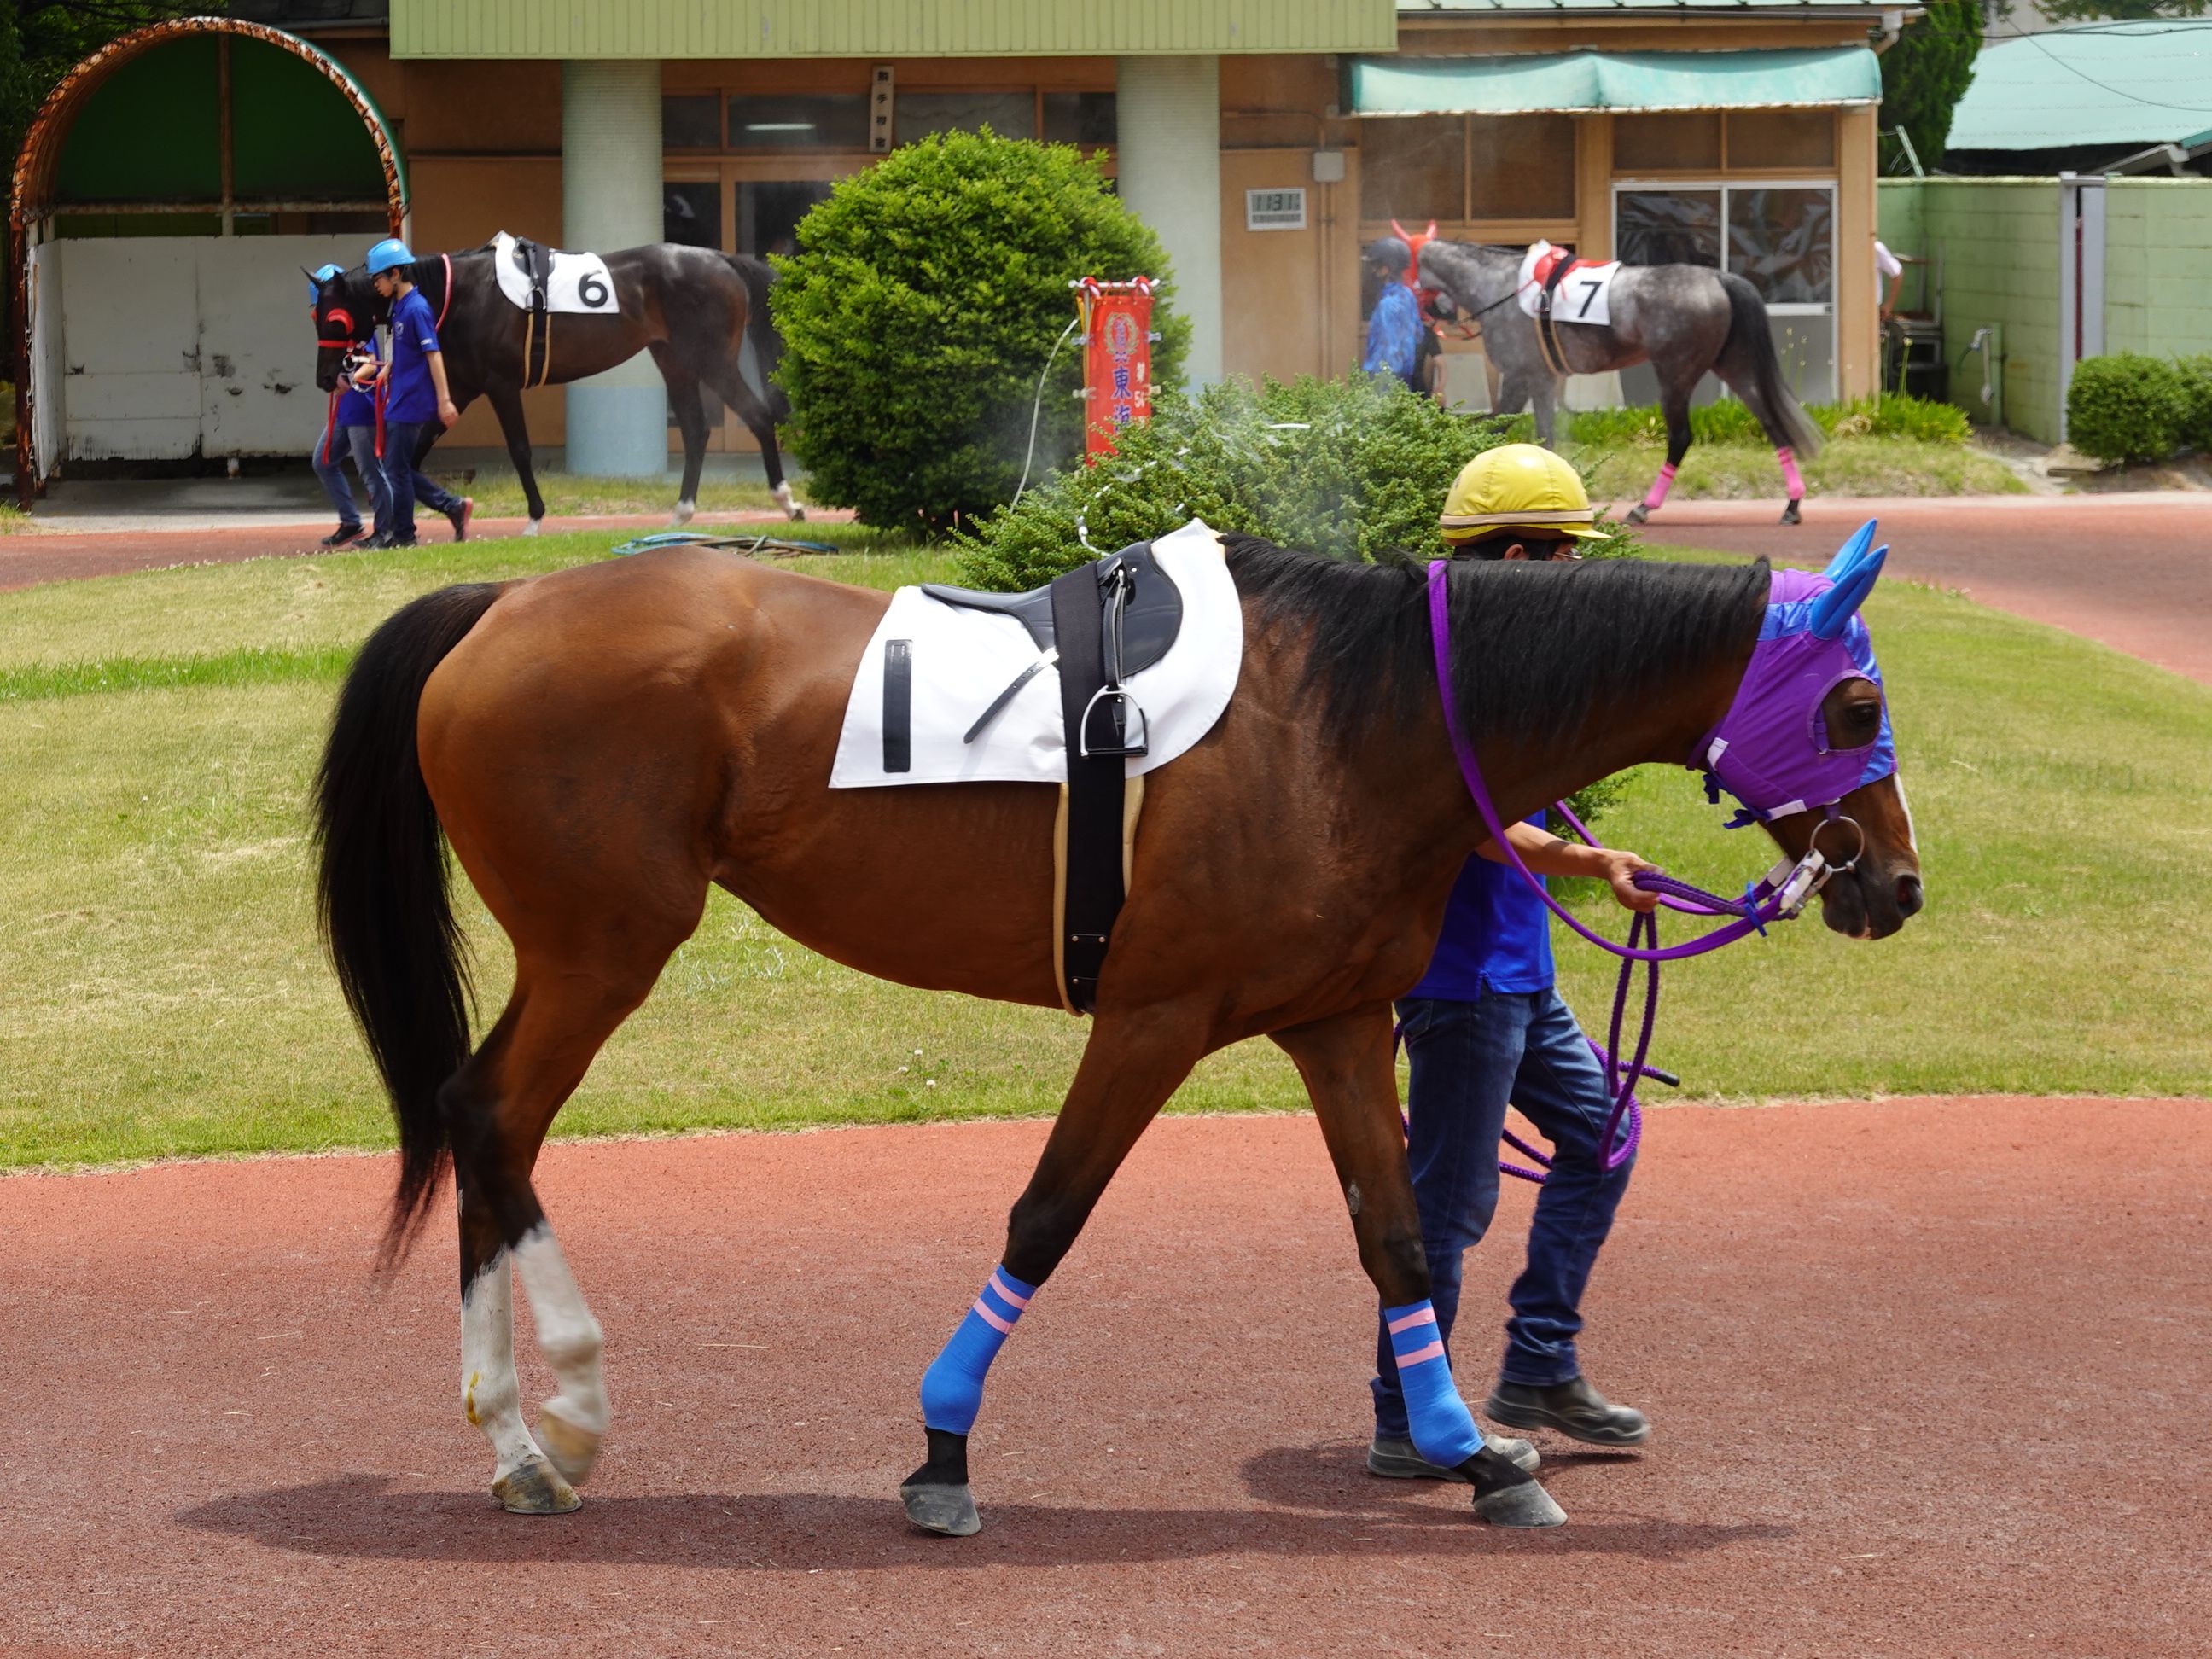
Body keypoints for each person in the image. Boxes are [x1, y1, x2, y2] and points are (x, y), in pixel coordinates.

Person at [1365, 443, 1660, 1487]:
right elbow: (1485, 822)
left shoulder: (1494, 656)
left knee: (1605, 1133)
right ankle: (1405, 1413)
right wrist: (1592, 859)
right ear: (1523, 555)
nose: (1574, 573)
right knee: (1447, 1208)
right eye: (1565, 555)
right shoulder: (1447, 673)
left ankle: (1537, 1364)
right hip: (1457, 985)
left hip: (1516, 975)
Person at [354, 237, 472, 549]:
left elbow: (434, 355)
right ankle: (450, 506)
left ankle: (405, 535)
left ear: (395, 275)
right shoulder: (400, 308)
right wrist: (389, 366)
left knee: (396, 470)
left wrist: (445, 400)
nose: (374, 284)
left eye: (377, 278)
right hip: (399, 398)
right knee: (398, 468)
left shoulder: (417, 309)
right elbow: (408, 352)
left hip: (412, 402)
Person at [307, 264, 389, 548]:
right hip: (345, 409)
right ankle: (351, 522)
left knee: (372, 471)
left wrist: (351, 379)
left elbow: (371, 364)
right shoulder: (339, 334)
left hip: (362, 407)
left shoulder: (361, 326)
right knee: (323, 461)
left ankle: (385, 530)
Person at [1361, 236, 1423, 391]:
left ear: (1387, 267)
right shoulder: (1408, 295)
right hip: (1405, 376)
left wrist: (1376, 384)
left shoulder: (1387, 304)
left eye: (1376, 265)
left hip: (1384, 381)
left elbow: (1388, 349)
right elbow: (1419, 334)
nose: (1372, 270)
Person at [1875, 239, 1906, 324]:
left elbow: (1897, 273)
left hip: (1870, 309)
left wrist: (1889, 305)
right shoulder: (1838, 245)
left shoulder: (1875, 247)